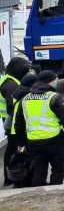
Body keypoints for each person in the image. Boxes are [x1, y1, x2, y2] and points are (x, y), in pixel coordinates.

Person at [13, 70, 64, 186]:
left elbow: (19, 124)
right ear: (49, 82)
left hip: (33, 142)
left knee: (38, 170)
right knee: (58, 170)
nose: (56, 82)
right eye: (55, 80)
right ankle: (55, 192)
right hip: (54, 140)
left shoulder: (25, 99)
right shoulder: (54, 97)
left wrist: (21, 143)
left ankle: (39, 194)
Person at [0, 57, 31, 185]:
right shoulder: (10, 84)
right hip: (12, 122)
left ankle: (11, 176)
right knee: (15, 149)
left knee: (13, 149)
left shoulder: (10, 79)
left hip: (9, 120)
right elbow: (12, 105)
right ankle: (12, 177)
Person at [3, 72, 37, 187]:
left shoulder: (17, 92)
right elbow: (20, 120)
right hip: (18, 132)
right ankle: (22, 182)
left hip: (12, 130)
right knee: (23, 155)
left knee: (16, 155)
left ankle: (12, 179)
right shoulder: (25, 95)